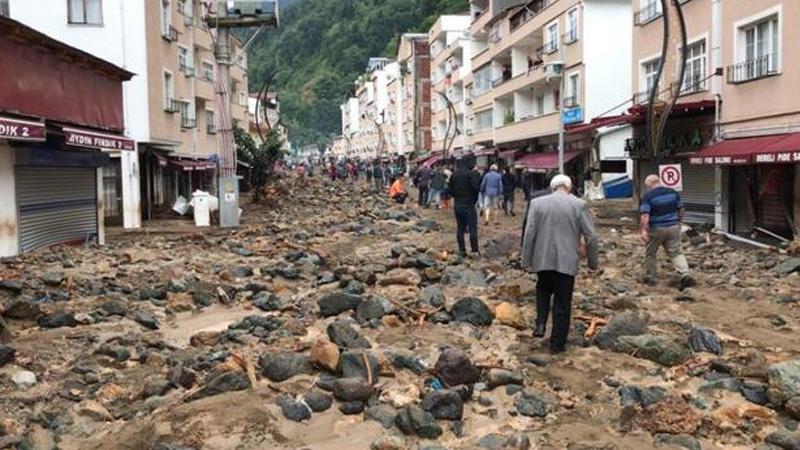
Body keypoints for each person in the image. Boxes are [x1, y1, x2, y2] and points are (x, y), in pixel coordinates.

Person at [521, 175, 599, 354]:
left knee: (543, 289)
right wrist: (592, 263)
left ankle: (540, 323)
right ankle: (557, 344)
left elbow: (529, 232)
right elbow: (592, 237)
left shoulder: (537, 203)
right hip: (567, 260)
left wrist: (526, 259)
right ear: (569, 187)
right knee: (563, 302)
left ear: (552, 187)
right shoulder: (579, 205)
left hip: (542, 259)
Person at [640, 174, 695, 289]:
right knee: (676, 252)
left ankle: (651, 276)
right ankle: (684, 273)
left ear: (650, 184)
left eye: (646, 186)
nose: (646, 188)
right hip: (673, 226)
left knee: (651, 253)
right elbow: (681, 208)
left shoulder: (648, 196)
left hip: (656, 228)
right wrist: (679, 222)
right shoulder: (673, 192)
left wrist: (644, 230)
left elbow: (645, 215)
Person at [449, 160, 482, 257]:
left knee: (460, 228)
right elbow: (476, 188)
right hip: (468, 204)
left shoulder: (454, 175)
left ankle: (462, 250)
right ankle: (474, 250)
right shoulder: (471, 174)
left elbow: (450, 190)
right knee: (472, 228)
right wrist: (474, 200)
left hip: (458, 204)